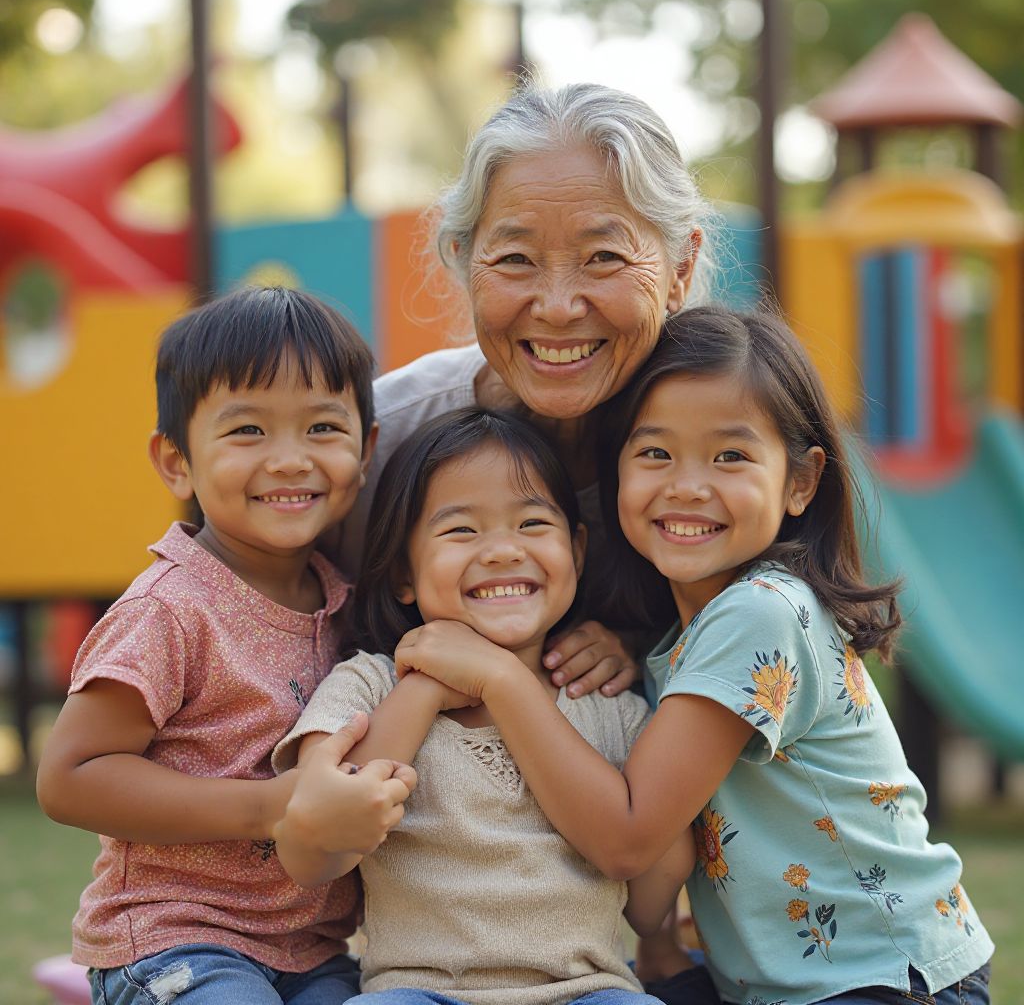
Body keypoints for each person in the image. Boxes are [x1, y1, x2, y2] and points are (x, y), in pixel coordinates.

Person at [387, 307, 995, 1005]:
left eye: (730, 456)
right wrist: (664, 950)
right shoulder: (686, 632)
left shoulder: (760, 612)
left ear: (801, 482)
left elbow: (626, 839)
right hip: (784, 984)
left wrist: (498, 677)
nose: (686, 485)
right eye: (655, 454)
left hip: (879, 979)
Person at [36, 287, 417, 1005]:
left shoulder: (346, 599)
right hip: (174, 937)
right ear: (177, 461)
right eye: (247, 432)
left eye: (322, 429)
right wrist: (268, 806)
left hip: (310, 950)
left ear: (365, 450)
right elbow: (70, 775)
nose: (289, 460)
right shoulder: (170, 610)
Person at [271, 408, 693, 1005]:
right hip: (415, 992)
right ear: (402, 574)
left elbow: (648, 904)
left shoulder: (608, 704)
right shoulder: (367, 685)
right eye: (461, 531)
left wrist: (669, 836)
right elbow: (318, 852)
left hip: (587, 990)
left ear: (576, 551)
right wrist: (424, 688)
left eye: (531, 524)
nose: (501, 551)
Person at [326, 80, 708, 703]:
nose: (557, 308)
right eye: (514, 260)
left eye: (605, 257)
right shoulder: (379, 439)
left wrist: (648, 650)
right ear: (463, 258)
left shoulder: (734, 437)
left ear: (680, 269)